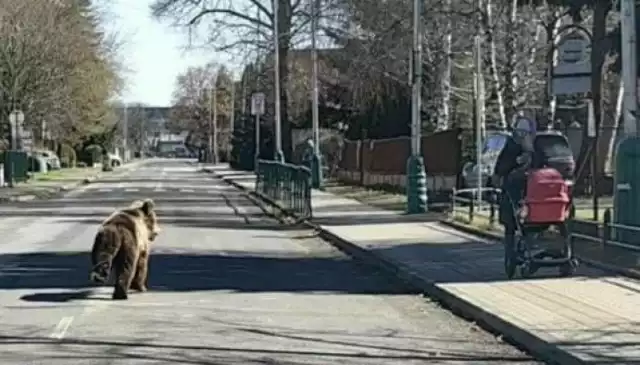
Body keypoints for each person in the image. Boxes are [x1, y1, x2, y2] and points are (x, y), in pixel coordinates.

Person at [492, 117, 537, 248]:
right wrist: (516, 162)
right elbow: (500, 167)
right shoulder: (511, 147)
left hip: (528, 193)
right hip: (515, 193)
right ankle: (513, 246)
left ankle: (522, 240)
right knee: (510, 222)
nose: (523, 137)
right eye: (520, 134)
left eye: (525, 134)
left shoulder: (535, 148)